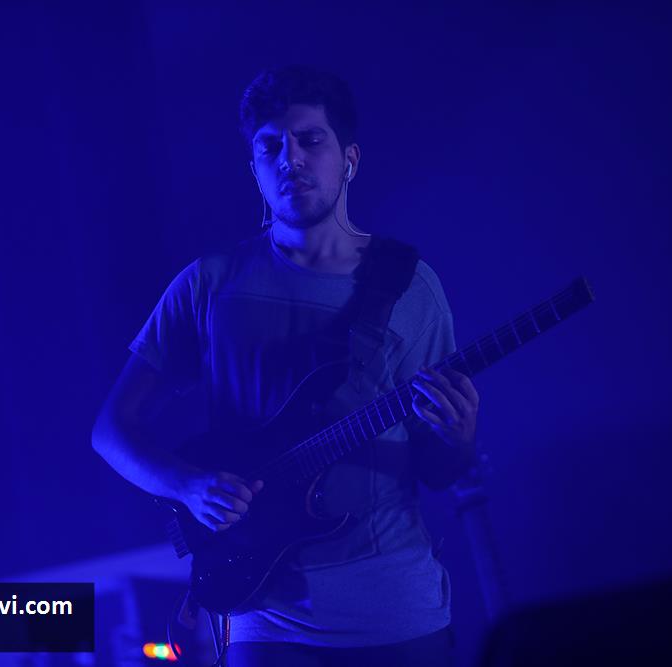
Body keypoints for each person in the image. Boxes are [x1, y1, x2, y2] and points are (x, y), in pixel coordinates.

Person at [92, 65, 479, 667]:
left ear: (349, 159)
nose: (290, 158)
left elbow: (439, 470)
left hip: (400, 616)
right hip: (264, 621)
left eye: (310, 139)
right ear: (254, 170)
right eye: (270, 146)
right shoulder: (209, 284)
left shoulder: (411, 286)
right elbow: (110, 431)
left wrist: (458, 436)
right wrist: (188, 487)